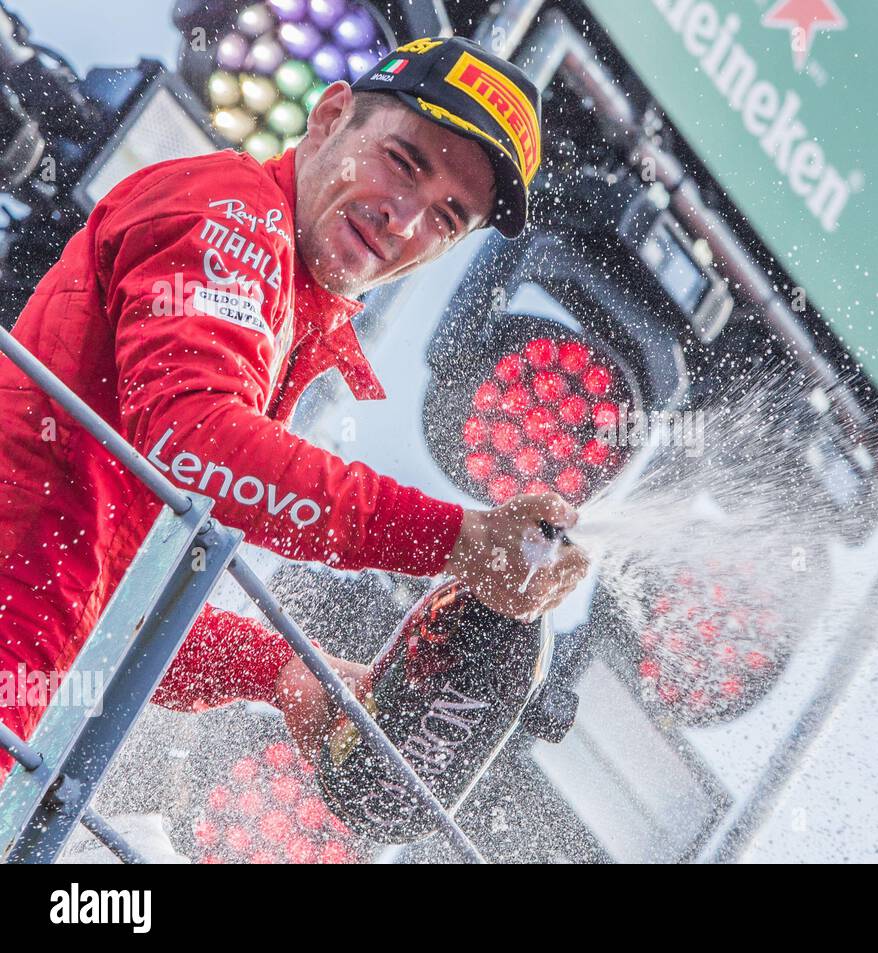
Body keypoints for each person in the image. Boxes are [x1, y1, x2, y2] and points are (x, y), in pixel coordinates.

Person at [0, 36, 589, 780]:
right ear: (330, 114)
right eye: (404, 162)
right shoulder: (238, 215)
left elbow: (105, 611)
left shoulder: (285, 309)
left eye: (447, 217)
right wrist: (453, 539)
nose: (404, 220)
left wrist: (279, 672)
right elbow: (195, 445)